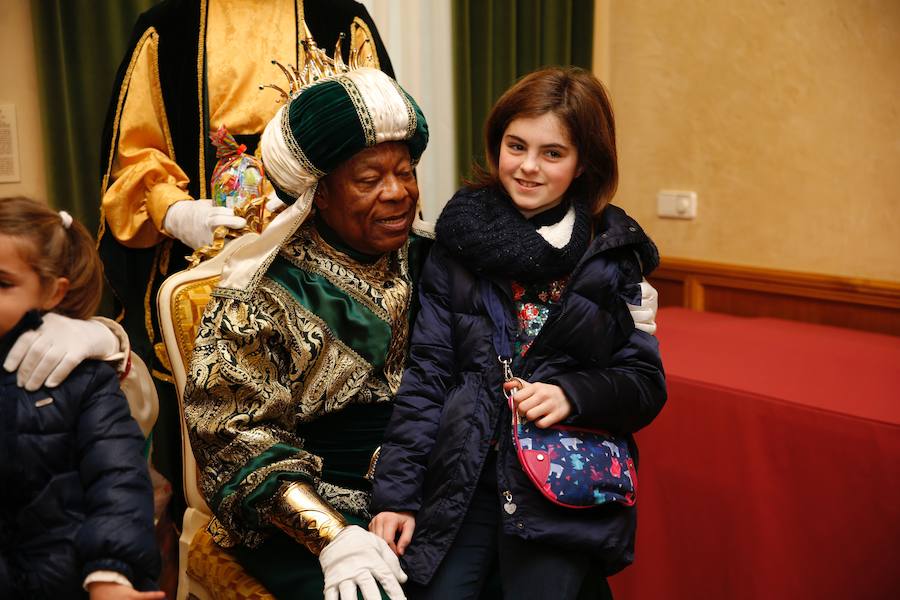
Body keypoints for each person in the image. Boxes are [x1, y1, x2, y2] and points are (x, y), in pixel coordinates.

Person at [368, 67, 667, 599]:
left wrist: (573, 394)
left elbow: (644, 385)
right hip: (463, 481)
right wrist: (396, 496)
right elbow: (427, 377)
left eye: (553, 153)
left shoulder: (614, 256)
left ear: (583, 165)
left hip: (557, 489)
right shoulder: (456, 244)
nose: (528, 167)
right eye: (516, 145)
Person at [183, 64, 429, 600]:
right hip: (303, 506)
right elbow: (230, 437)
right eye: (369, 179)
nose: (397, 193)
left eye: (406, 171)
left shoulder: (437, 261)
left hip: (424, 492)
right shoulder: (258, 294)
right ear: (316, 194)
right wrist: (331, 536)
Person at [0, 197, 161, 599]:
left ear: (54, 293)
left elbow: (117, 480)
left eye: (2, 284)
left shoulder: (83, 378)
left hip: (62, 580)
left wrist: (111, 574)